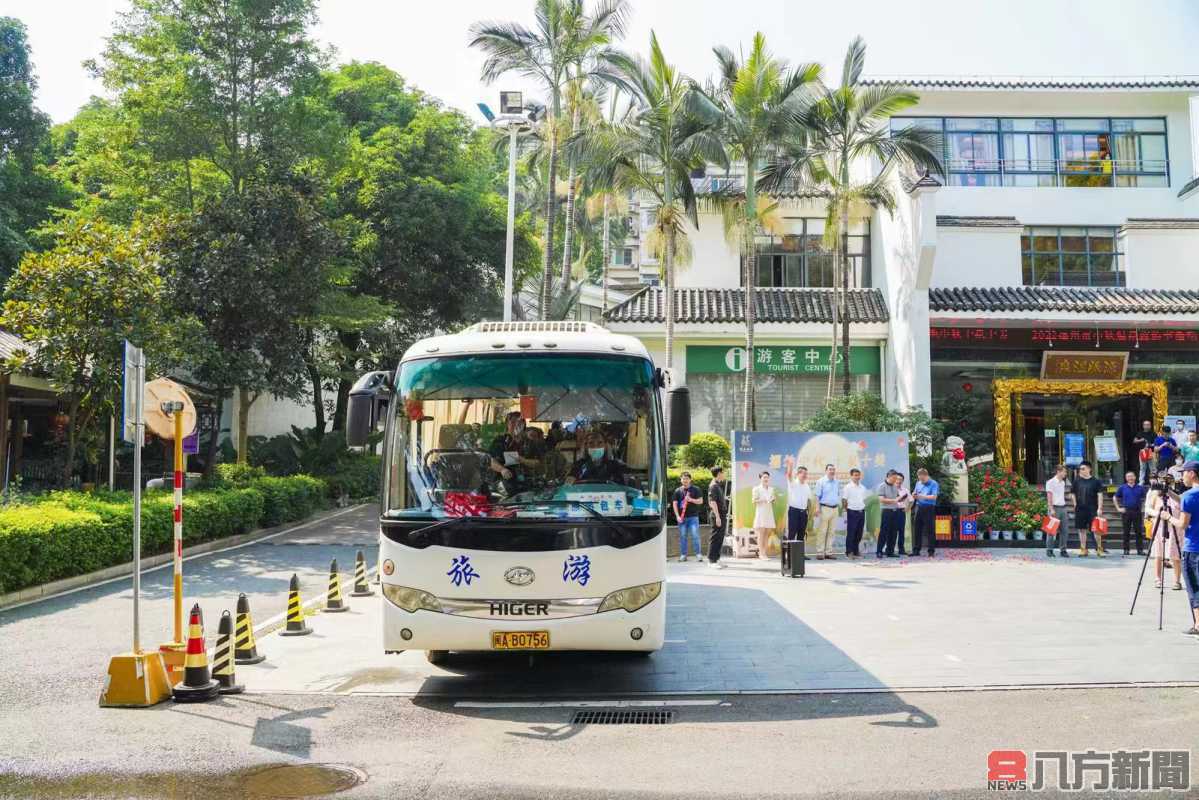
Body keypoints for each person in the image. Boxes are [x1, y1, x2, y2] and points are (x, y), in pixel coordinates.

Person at [1156, 461, 1199, 635]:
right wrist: (1171, 494)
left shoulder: (1189, 495)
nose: (1182, 476)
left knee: (1194, 588)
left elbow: (1182, 524)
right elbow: (1186, 502)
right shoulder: (1188, 496)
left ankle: (1198, 625)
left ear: (1193, 473)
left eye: (1184, 473)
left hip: (1193, 549)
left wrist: (1167, 517)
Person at [1147, 478, 1182, 591]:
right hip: (1159, 526)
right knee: (1158, 553)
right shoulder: (1154, 494)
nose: (1164, 484)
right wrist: (1158, 514)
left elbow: (1182, 506)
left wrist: (1170, 493)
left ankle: (1177, 581)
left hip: (1174, 527)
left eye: (1167, 481)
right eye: (1162, 481)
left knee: (1175, 555)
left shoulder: (1176, 493)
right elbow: (1148, 509)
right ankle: (1158, 579)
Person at [1072, 461, 1105, 557]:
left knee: (1096, 530)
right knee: (1081, 529)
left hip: (1093, 509)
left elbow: (1100, 495)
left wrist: (1100, 508)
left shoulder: (1096, 481)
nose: (1081, 471)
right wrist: (1075, 505)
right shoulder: (1077, 481)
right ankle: (1083, 549)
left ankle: (1099, 549)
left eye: (1083, 468)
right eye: (1080, 469)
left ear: (1089, 469)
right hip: (1080, 509)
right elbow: (1073, 493)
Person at [1113, 470, 1148, 556]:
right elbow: (1115, 497)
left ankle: (1140, 550)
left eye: (1132, 476)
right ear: (1126, 478)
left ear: (1135, 477)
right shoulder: (1122, 487)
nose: (1130, 478)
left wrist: (1144, 507)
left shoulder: (1140, 488)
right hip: (1126, 511)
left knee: (1138, 532)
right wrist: (1118, 508)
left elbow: (1147, 498)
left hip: (1137, 511)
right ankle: (1126, 550)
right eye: (1128, 476)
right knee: (1126, 531)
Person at [672, 471, 703, 563]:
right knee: (683, 537)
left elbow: (700, 501)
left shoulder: (696, 489)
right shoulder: (677, 491)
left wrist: (691, 500)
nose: (685, 480)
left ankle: (698, 554)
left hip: (693, 517)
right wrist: (677, 516)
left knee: (695, 535)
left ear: (690, 480)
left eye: (687, 479)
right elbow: (674, 504)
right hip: (681, 518)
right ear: (681, 480)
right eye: (683, 479)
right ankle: (683, 555)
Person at [813, 464, 841, 560]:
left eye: (833, 469)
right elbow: (817, 496)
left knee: (832, 532)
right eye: (830, 469)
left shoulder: (837, 482)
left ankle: (829, 552)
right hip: (824, 508)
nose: (832, 471)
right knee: (822, 531)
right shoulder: (821, 482)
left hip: (835, 509)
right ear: (826, 471)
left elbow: (837, 495)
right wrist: (817, 508)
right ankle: (820, 552)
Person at [912, 468, 940, 557]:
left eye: (923, 479)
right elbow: (915, 492)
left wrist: (921, 496)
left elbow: (934, 497)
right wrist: (914, 494)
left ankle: (931, 551)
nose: (921, 481)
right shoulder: (918, 483)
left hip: (929, 508)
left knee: (930, 530)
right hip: (918, 507)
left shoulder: (934, 483)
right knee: (917, 529)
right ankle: (916, 550)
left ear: (926, 475)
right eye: (920, 479)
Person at [784, 457, 811, 549]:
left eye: (806, 474)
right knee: (792, 533)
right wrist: (790, 465)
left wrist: (809, 513)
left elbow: (808, 500)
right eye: (803, 473)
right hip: (794, 511)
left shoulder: (807, 486)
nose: (805, 475)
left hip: (803, 513)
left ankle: (800, 554)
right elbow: (789, 475)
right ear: (798, 474)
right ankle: (789, 554)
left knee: (801, 533)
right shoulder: (793, 483)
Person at [751, 470, 778, 561]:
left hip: (769, 512)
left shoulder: (771, 489)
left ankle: (765, 553)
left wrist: (773, 499)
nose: (766, 479)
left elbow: (773, 500)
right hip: (761, 512)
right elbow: (754, 501)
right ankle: (761, 554)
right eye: (764, 477)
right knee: (761, 534)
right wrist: (763, 500)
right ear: (761, 478)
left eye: (767, 477)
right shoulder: (756, 489)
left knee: (767, 534)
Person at [706, 467, 729, 569]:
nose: (724, 474)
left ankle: (717, 558)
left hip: (721, 515)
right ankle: (711, 561)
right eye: (723, 472)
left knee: (720, 537)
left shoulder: (717, 484)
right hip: (717, 515)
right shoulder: (713, 486)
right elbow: (712, 502)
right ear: (719, 473)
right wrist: (718, 517)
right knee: (715, 537)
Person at [1045, 464, 1070, 557]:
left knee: (1065, 530)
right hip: (1054, 508)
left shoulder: (1063, 483)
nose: (1065, 473)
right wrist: (1051, 508)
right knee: (1051, 530)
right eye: (1064, 471)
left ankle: (1063, 550)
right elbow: (1049, 496)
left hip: (1063, 508)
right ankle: (1049, 550)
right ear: (1058, 472)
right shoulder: (1050, 482)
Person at [842, 468, 868, 558]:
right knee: (851, 533)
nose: (857, 477)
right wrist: (847, 510)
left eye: (858, 475)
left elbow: (864, 500)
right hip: (852, 512)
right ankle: (849, 552)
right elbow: (844, 500)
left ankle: (856, 551)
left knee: (859, 533)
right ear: (851, 476)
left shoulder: (863, 487)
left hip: (861, 511)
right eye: (855, 475)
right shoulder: (848, 487)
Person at [876, 470, 901, 558]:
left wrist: (900, 499)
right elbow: (881, 499)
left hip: (895, 511)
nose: (895, 480)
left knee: (893, 532)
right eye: (894, 478)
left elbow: (897, 497)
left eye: (896, 478)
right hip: (886, 511)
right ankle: (879, 551)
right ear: (889, 477)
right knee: (884, 532)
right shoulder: (882, 486)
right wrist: (894, 500)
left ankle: (890, 551)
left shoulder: (895, 486)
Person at [893, 472, 912, 556]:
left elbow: (911, 500)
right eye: (897, 479)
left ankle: (901, 549)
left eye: (901, 479)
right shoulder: (890, 488)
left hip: (901, 511)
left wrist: (907, 508)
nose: (899, 481)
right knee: (892, 531)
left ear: (903, 481)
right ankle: (890, 549)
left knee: (901, 531)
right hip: (892, 511)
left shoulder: (905, 490)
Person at [1132, 420, 1153, 484]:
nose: (1147, 426)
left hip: (1151, 452)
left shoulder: (1153, 433)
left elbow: (1156, 443)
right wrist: (1141, 440)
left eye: (1148, 425)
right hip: (1142, 452)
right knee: (1142, 467)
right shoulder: (1140, 433)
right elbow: (1134, 441)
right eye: (1145, 425)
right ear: (1143, 426)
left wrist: (1150, 445)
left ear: (1150, 426)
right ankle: (1141, 481)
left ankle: (1153, 481)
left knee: (1152, 468)